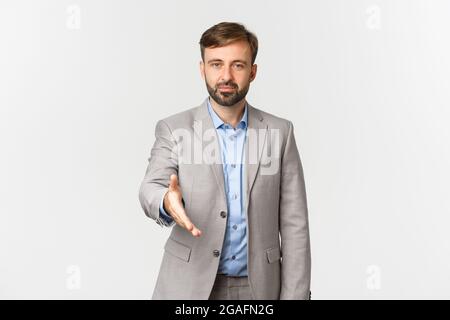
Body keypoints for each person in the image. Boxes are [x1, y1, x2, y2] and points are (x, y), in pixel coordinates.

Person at [139, 22, 311, 300]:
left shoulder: (280, 133)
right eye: (216, 64)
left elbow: (295, 225)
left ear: (253, 71)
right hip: (188, 285)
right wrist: (167, 202)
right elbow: (151, 187)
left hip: (260, 288)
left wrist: (296, 296)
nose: (226, 75)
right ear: (202, 69)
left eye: (238, 65)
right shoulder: (174, 128)